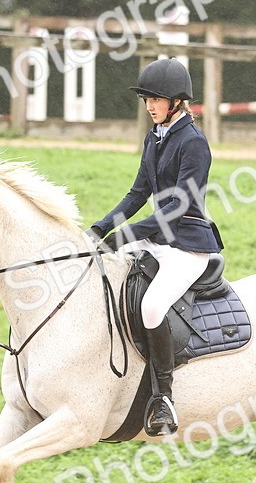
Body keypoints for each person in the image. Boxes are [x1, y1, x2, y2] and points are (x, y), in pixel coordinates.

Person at [86, 57, 223, 436]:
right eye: (147, 98)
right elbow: (138, 193)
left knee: (151, 304)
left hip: (188, 245)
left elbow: (178, 207)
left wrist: (127, 235)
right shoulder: (155, 136)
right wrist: (100, 229)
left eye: (156, 99)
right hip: (158, 237)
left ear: (176, 101)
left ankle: (163, 395)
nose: (149, 105)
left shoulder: (194, 143)